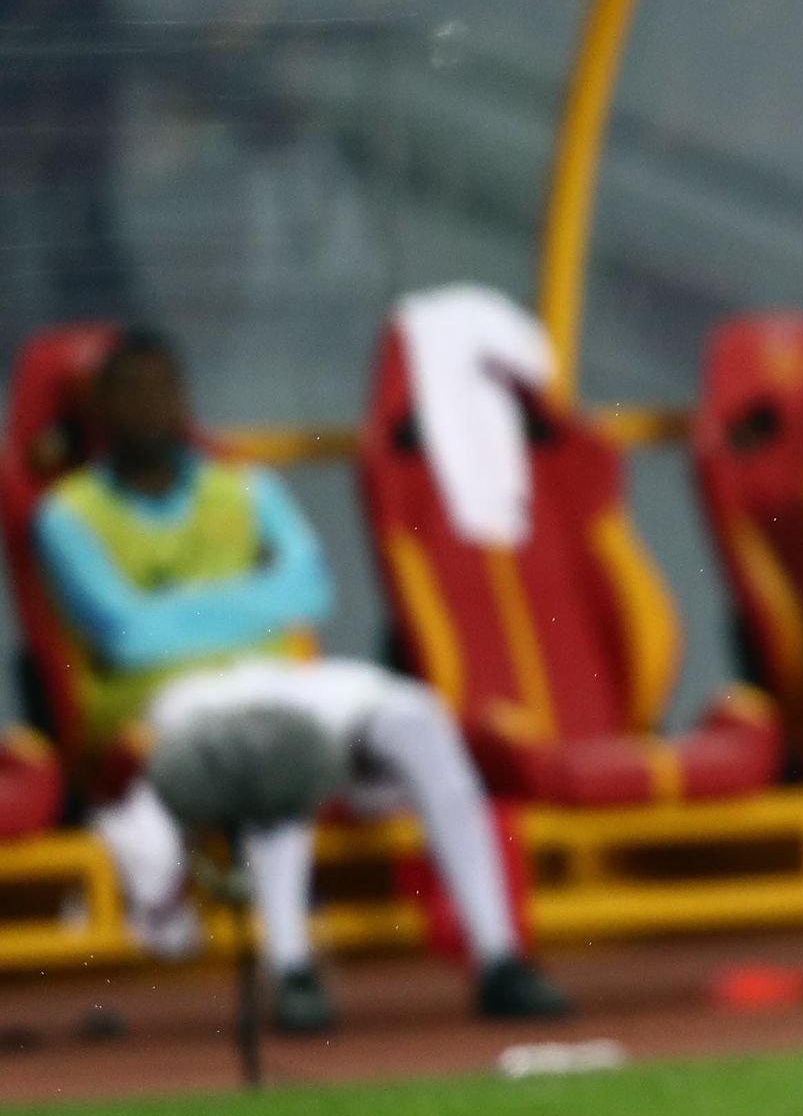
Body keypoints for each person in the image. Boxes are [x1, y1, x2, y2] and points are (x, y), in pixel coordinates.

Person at [36, 330, 569, 1032]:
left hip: (281, 673)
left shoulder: (245, 487)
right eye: (130, 394)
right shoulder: (68, 513)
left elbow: (311, 589)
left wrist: (179, 609)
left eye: (162, 392)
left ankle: (499, 955)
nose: (150, 410)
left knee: (417, 718)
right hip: (165, 700)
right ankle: (291, 968)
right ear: (101, 410)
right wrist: (250, 600)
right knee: (274, 749)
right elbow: (125, 633)